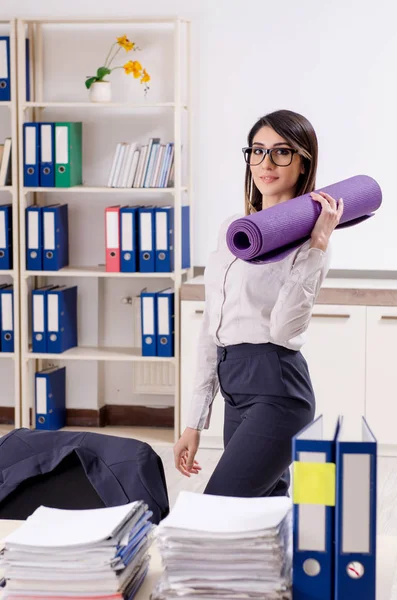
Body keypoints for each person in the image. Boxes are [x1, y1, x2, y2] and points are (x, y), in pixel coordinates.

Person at [173, 109, 344, 497]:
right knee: (259, 516)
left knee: (221, 505)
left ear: (303, 164)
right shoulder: (234, 231)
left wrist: (316, 246)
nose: (266, 163)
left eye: (282, 152)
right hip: (235, 387)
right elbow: (211, 329)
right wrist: (194, 422)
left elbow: (285, 332)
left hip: (278, 389)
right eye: (257, 151)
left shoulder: (310, 243)